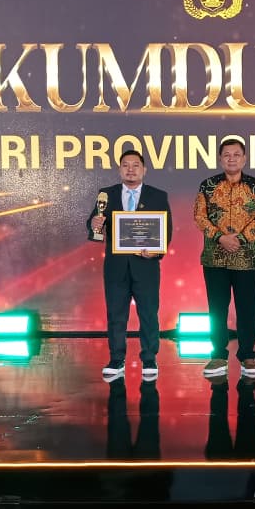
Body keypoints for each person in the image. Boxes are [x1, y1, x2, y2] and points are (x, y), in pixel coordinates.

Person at [87, 148, 173, 382]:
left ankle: (149, 358)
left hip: (146, 266)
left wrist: (157, 250)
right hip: (116, 266)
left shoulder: (158, 195)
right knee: (116, 314)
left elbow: (166, 230)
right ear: (119, 170)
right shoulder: (106, 194)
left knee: (149, 313)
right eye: (126, 165)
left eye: (136, 165)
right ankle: (116, 359)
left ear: (144, 170)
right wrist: (94, 224)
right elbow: (94, 225)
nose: (131, 169)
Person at [193, 135, 255, 378]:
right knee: (217, 309)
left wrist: (241, 239)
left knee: (247, 309)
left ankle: (247, 355)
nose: (232, 159)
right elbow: (200, 216)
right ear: (220, 159)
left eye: (236, 155)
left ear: (244, 158)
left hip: (247, 259)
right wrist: (220, 237)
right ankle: (218, 355)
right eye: (227, 155)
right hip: (215, 259)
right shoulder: (208, 185)